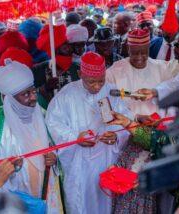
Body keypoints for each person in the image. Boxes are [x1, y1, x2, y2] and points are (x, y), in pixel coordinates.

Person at [45, 52, 132, 214]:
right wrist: (75, 138)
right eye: (92, 82)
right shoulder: (67, 94)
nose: (97, 86)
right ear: (80, 74)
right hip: (79, 163)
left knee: (107, 203)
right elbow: (53, 122)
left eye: (101, 80)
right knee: (80, 203)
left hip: (106, 159)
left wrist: (116, 136)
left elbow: (127, 119)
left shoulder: (112, 92)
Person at [0, 61, 63, 213]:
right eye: (26, 94)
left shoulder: (43, 115)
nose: (33, 98)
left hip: (47, 195)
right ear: (9, 98)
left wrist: (55, 158)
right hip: (18, 202)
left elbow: (58, 147)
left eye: (33, 91)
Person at [106, 28, 179, 117]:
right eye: (135, 53)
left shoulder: (161, 68)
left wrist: (155, 94)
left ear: (148, 48)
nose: (139, 57)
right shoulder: (114, 71)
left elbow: (171, 95)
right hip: (126, 127)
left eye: (144, 52)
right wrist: (134, 117)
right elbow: (106, 102)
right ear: (128, 49)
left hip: (156, 125)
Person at [33, 24, 79, 108]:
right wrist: (45, 88)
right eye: (64, 48)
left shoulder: (78, 68)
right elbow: (29, 96)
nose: (69, 49)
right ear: (54, 51)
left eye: (68, 45)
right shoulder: (38, 70)